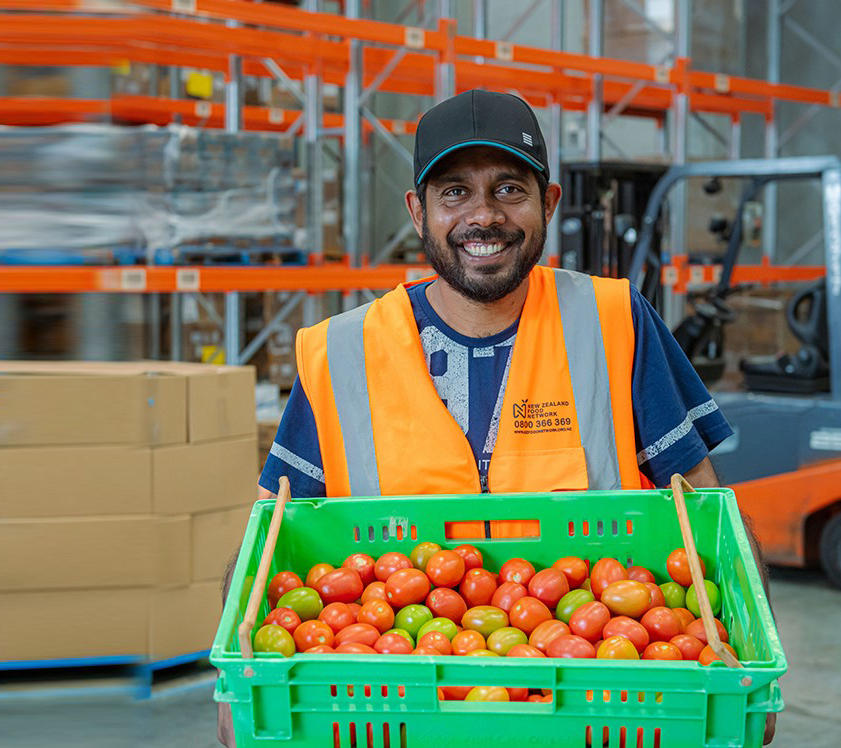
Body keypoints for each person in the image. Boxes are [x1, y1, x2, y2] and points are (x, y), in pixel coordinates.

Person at [219, 90, 770, 745]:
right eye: (454, 193)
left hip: (591, 706)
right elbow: (265, 542)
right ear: (417, 211)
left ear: (550, 203)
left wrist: (751, 674)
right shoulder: (342, 352)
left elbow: (709, 518)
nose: (484, 216)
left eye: (509, 188)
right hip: (395, 707)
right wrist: (233, 687)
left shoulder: (613, 321)